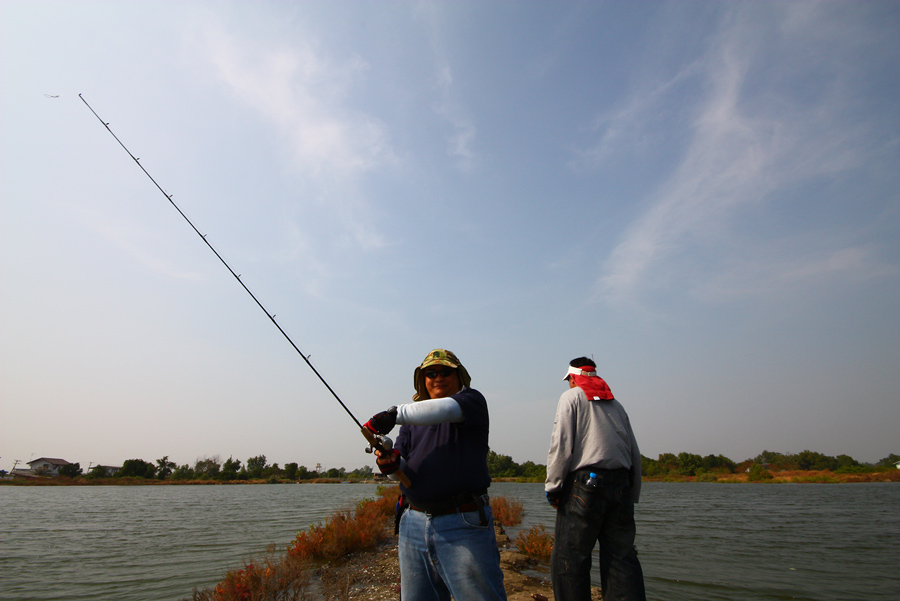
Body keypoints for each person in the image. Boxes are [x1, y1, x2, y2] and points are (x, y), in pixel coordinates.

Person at [364, 349, 507, 601]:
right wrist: (391, 464)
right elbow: (400, 470)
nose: (438, 377)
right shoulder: (410, 423)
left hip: (464, 523)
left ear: (459, 376)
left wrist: (392, 414)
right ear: (423, 380)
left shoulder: (471, 402)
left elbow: (444, 410)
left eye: (446, 372)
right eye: (431, 373)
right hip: (413, 524)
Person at [545, 357, 646, 601]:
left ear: (572, 378)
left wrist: (554, 486)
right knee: (622, 558)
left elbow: (561, 443)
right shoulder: (617, 405)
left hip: (584, 486)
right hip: (621, 486)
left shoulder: (571, 398)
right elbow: (633, 451)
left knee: (570, 558)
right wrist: (633, 493)